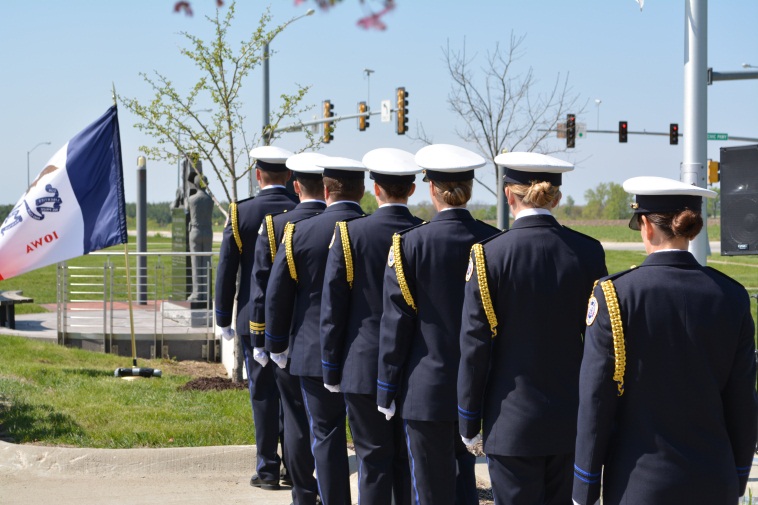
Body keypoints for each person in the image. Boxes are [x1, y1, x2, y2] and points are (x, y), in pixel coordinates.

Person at [572, 176, 757, 505]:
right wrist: (739, 474)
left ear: (645, 225)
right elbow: (743, 401)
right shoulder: (732, 295)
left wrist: (584, 488)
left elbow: (596, 401)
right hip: (715, 481)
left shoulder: (616, 294)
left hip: (639, 483)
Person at [456, 152, 608, 505]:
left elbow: (474, 345)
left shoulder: (490, 254)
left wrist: (468, 420)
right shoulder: (588, 251)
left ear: (508, 195)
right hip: (571, 417)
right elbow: (600, 343)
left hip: (511, 420)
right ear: (556, 197)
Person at [376, 144, 500, 505]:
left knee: (429, 492)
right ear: (470, 189)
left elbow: (395, 324)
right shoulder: (494, 240)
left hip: (425, 390)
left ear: (431, 189)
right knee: (465, 489)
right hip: (482, 388)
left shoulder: (409, 244)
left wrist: (386, 389)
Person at [320, 148, 422, 505]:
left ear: (375, 189)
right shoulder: (421, 233)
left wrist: (331, 368)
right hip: (413, 366)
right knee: (408, 461)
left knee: (373, 460)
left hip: (362, 365)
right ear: (411, 190)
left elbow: (333, 310)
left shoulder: (350, 235)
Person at [265, 156, 367, 505]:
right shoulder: (373, 230)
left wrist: (276, 345)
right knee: (373, 442)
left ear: (326, 190)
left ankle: (311, 498)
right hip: (363, 355)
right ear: (364, 190)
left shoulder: (300, 232)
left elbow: (278, 294)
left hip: (309, 351)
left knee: (322, 434)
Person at [214, 145, 298, 491]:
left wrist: (223, 317)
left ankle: (266, 469)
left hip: (253, 319)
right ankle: (295, 466)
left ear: (258, 175)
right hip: (294, 320)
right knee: (293, 398)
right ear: (290, 176)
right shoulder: (301, 210)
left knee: (262, 394)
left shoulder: (241, 213)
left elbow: (226, 270)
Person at [248, 152, 328, 505]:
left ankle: (300, 490)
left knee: (294, 419)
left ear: (297, 186)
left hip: (292, 340)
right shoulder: (348, 225)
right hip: (338, 342)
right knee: (326, 428)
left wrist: (263, 339)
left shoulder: (280, 226)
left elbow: (264, 290)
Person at [187, 173, 214, 302]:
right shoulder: (210, 200)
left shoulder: (192, 199)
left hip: (195, 231)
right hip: (207, 232)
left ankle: (197, 293)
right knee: (207, 263)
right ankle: (206, 293)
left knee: (196, 263)